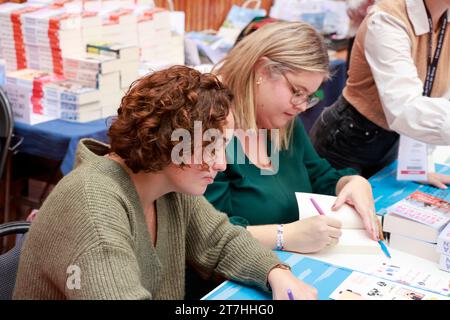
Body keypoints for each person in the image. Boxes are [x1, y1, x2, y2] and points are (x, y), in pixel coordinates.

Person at [13, 66, 317, 300]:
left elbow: (221, 240)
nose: (222, 163)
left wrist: (276, 272)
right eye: (212, 148)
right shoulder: (92, 206)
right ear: (169, 142)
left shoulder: (169, 185)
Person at [204, 21, 380, 256]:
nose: (302, 106)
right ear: (262, 70)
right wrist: (283, 236)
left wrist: (352, 183)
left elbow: (318, 175)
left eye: (310, 96)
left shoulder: (282, 121)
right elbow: (206, 235)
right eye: (297, 91)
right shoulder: (207, 129)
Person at [310, 0, 450, 187]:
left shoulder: (443, 19)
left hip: (393, 140)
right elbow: (404, 107)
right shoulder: (387, 19)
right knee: (342, 212)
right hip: (347, 142)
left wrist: (417, 165)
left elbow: (430, 94)